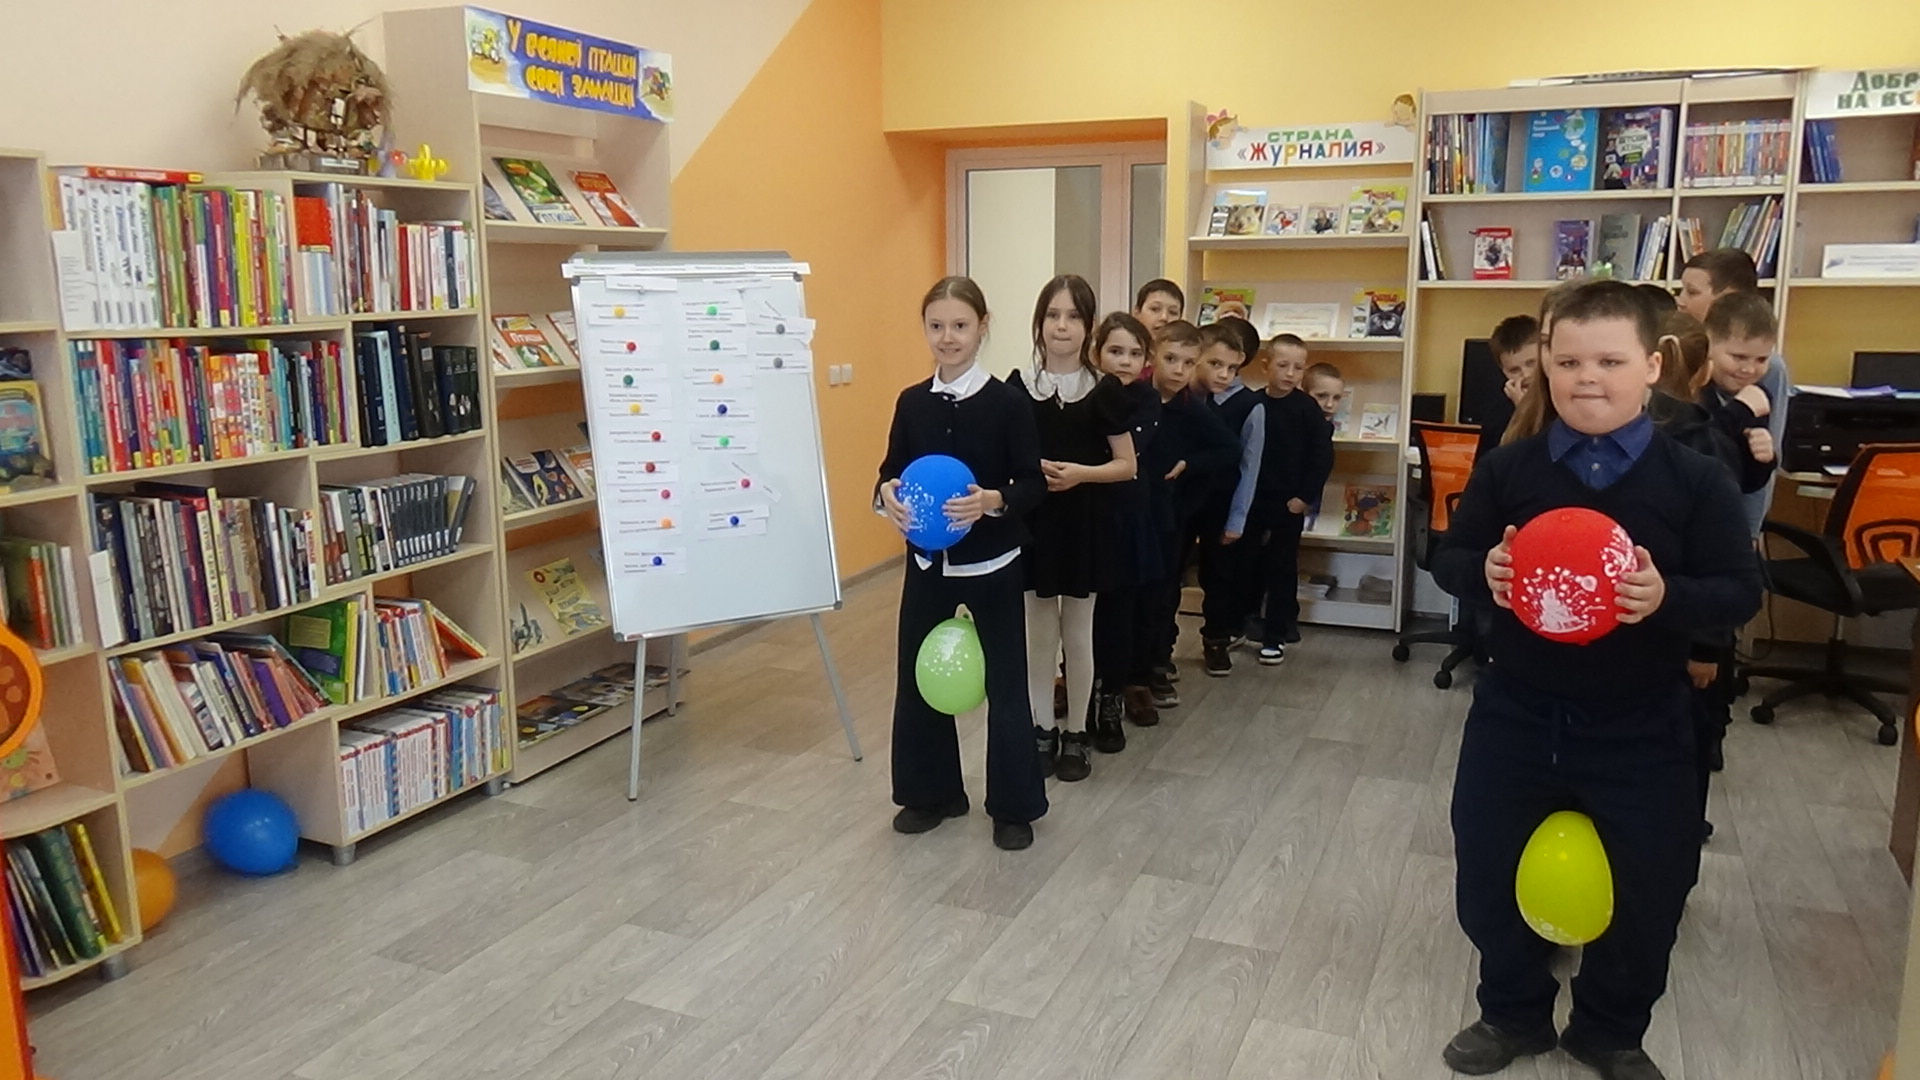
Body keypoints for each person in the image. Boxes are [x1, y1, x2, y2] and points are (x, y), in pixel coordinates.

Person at [1435, 280, 1762, 1080]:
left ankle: (1610, 1029)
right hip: (1517, 710)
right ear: (1545, 366)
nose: (1588, 377)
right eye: (1569, 361)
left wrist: (1666, 597)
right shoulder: (1508, 469)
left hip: (1641, 720)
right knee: (1487, 870)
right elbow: (1447, 558)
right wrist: (1484, 570)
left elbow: (1740, 589)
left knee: (1650, 885)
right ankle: (1511, 1013)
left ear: (1651, 366)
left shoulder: (1695, 479)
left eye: (1610, 361)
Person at [876, 276, 1048, 853]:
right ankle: (931, 794)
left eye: (959, 325)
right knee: (915, 677)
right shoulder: (911, 402)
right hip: (928, 565)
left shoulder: (1008, 403)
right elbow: (890, 472)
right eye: (936, 326)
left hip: (992, 563)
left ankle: (1013, 807)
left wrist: (993, 500)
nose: (947, 337)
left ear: (981, 328)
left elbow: (1031, 483)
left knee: (1005, 682)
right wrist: (887, 496)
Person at [1009, 275, 1137, 783]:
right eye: (1052, 315)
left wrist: (1081, 473)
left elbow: (1127, 465)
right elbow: (1006, 461)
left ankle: (1077, 732)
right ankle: (1041, 728)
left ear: (1089, 327)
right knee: (1038, 633)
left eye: (1073, 317)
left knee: (1078, 634)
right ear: (1039, 323)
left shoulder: (1104, 391)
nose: (1061, 326)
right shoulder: (1017, 387)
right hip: (1035, 524)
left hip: (1086, 524)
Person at [1136, 320, 1237, 708]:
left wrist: (1188, 463)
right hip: (1127, 511)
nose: (1178, 370)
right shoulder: (1134, 397)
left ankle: (1154, 666)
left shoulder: (1191, 408)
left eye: (1188, 362)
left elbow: (1228, 449)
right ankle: (1114, 673)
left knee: (1161, 593)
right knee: (1124, 593)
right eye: (1171, 359)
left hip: (1168, 517)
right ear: (1154, 356)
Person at [1226, 334, 1333, 662]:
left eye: (1298, 368)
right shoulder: (1253, 403)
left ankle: (1275, 634)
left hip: (1288, 504)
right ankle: (1237, 624)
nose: (1290, 373)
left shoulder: (1307, 410)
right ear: (1266, 365)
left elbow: (1321, 458)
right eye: (1283, 365)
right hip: (1252, 501)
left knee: (1282, 569)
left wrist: (1304, 497)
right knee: (1244, 564)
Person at [1677, 249, 1787, 536]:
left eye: (1692, 292)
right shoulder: (1686, 372)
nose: (1681, 301)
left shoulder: (1765, 377)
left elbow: (1750, 477)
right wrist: (1739, 411)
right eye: (1739, 357)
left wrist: (1764, 459)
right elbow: (1695, 449)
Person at [1088, 312, 1161, 740]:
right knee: (1080, 611)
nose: (1124, 361)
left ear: (1146, 360)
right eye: (1115, 351)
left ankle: (1111, 698)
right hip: (1085, 514)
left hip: (1127, 517)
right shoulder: (1084, 391)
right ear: (1097, 353)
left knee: (1118, 614)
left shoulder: (1147, 400)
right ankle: (1078, 688)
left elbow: (1125, 450)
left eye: (1134, 353)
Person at [1194, 322, 1261, 676]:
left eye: (1232, 368)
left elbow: (1251, 466)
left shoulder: (1250, 405)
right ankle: (1160, 652)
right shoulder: (1187, 398)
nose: (1223, 374)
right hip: (1183, 502)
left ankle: (1217, 641)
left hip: (1222, 503)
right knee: (1169, 576)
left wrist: (1237, 518)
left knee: (1218, 576)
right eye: (1215, 364)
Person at [1476, 315, 1540, 459]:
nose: (1526, 374)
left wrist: (1526, 411)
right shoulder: (1498, 413)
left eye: (1531, 363)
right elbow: (1487, 466)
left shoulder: (1564, 401)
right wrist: (1522, 410)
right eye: (1514, 370)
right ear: (1503, 371)